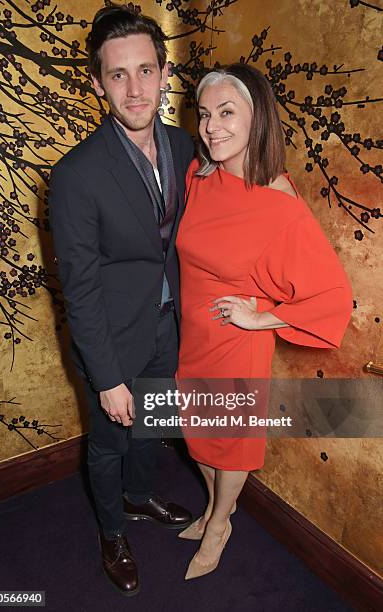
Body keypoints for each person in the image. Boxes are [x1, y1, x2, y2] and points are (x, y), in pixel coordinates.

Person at [175, 63, 353, 580]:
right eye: (206, 115)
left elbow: (331, 294)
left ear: (258, 118)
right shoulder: (200, 175)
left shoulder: (280, 203)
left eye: (227, 113)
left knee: (229, 440)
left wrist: (260, 319)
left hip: (235, 340)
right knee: (198, 430)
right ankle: (213, 507)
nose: (212, 127)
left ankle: (220, 524)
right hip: (194, 333)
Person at [49, 4, 194, 597]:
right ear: (98, 82)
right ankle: (113, 530)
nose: (135, 89)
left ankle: (138, 499)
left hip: (168, 324)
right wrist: (107, 377)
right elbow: (79, 286)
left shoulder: (187, 147)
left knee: (154, 428)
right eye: (118, 74)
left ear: (163, 73)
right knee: (110, 441)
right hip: (110, 338)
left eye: (145, 71)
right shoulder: (75, 174)